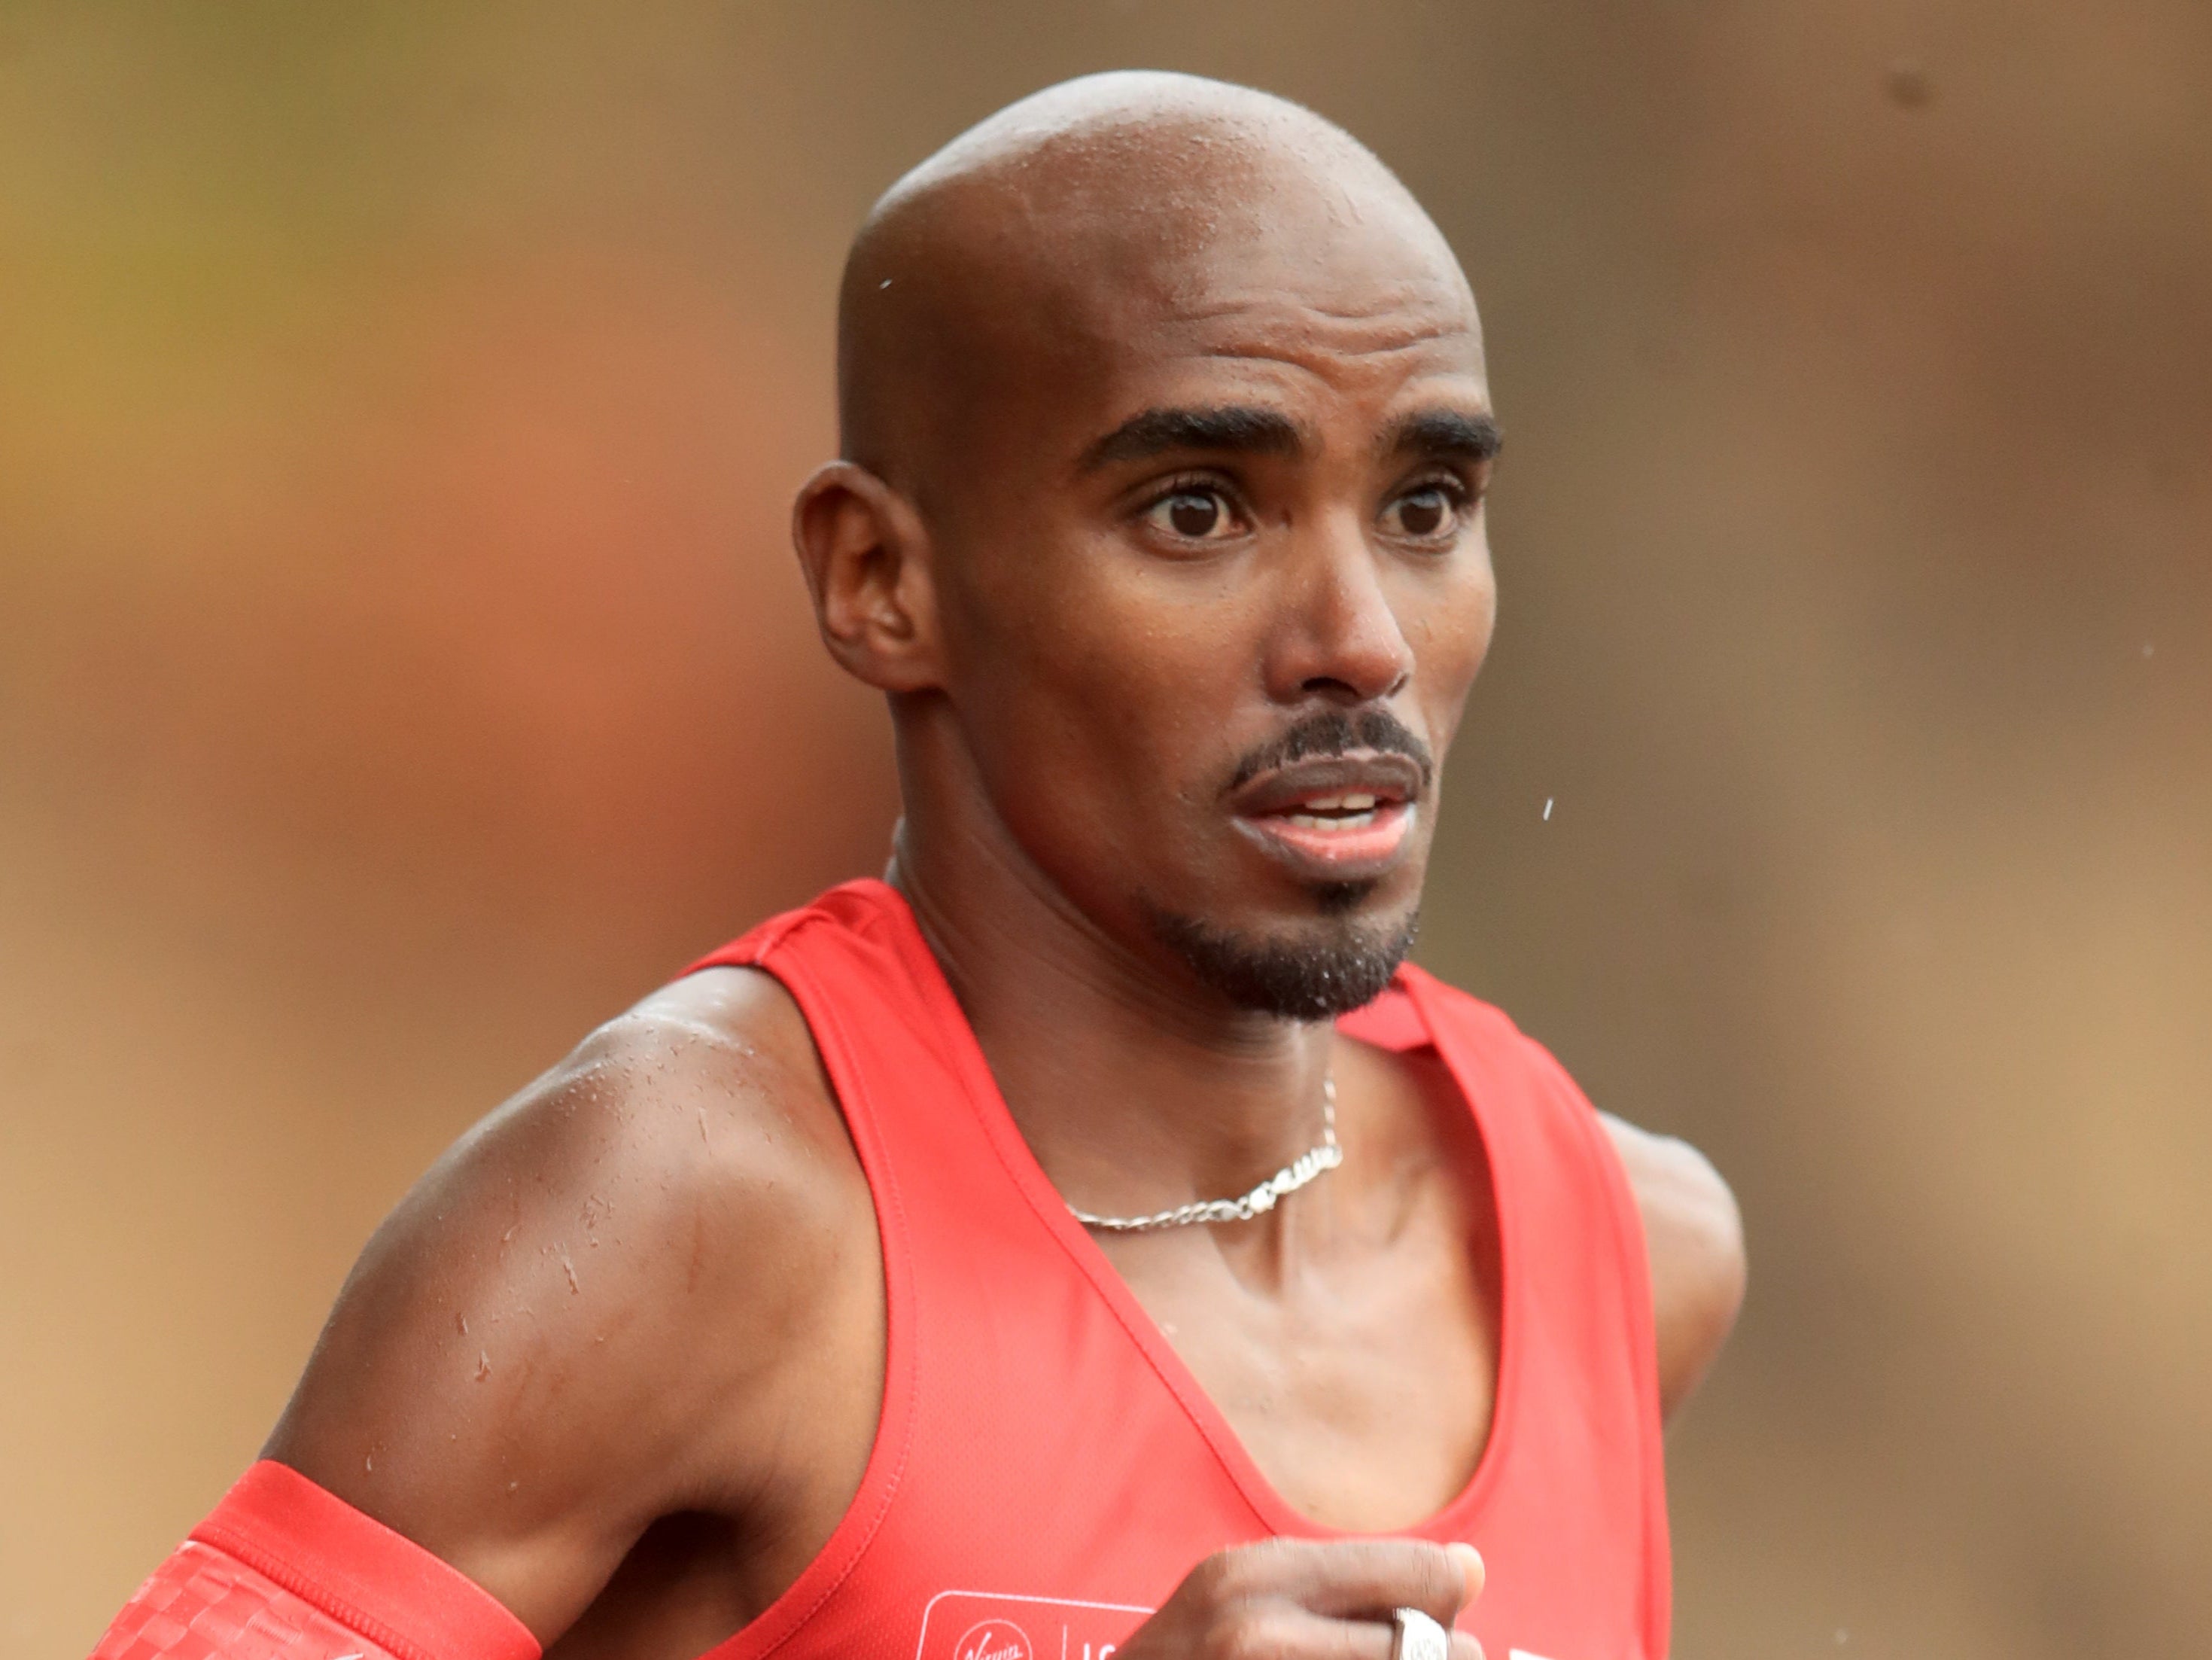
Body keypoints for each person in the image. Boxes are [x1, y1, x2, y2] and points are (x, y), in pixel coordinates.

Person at [93, 70, 1744, 1660]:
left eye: (1426, 503)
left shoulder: (1622, 1253)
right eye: (1195, 510)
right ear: (883, 578)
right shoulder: (680, 1212)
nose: (1360, 641)